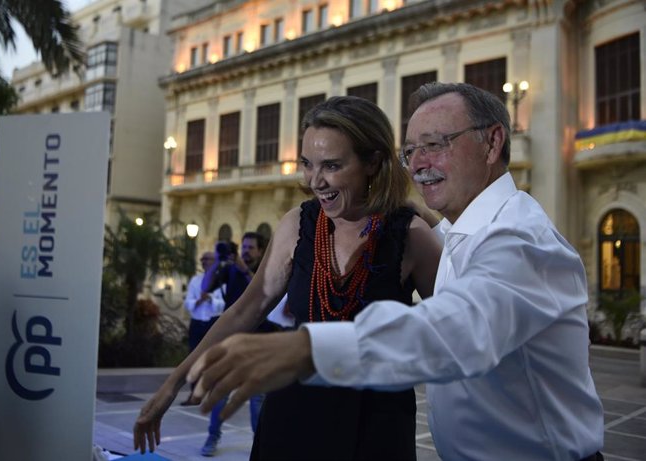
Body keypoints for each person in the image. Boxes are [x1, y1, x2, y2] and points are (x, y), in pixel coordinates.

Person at [185, 83, 605, 461]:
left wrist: (307, 349)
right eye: (411, 151)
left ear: (493, 142)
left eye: (435, 144)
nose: (419, 164)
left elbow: (453, 329)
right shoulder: (466, 235)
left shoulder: (519, 240)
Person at [133, 95, 442, 460]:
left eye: (332, 165)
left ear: (373, 161)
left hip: (376, 421)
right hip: (294, 413)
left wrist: (433, 220)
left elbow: (451, 327)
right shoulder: (298, 224)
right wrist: (173, 383)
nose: (315, 180)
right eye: (307, 164)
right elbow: (243, 311)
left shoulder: (411, 234)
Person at [198, 232, 271, 457]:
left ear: (260, 251)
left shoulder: (266, 269)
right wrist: (217, 263)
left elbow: (265, 291)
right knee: (221, 392)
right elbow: (205, 286)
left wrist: (244, 269)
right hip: (232, 341)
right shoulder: (230, 269)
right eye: (244, 247)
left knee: (257, 398)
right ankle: (212, 437)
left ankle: (259, 445)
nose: (246, 251)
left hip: (260, 342)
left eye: (251, 248)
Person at [181, 251, 224, 405]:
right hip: (197, 323)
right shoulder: (195, 280)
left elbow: (223, 304)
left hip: (214, 323)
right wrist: (198, 300)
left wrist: (210, 298)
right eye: (202, 259)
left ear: (214, 261)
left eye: (207, 259)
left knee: (214, 359)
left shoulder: (220, 281)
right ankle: (194, 394)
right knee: (194, 358)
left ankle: (213, 395)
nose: (204, 261)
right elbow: (188, 302)